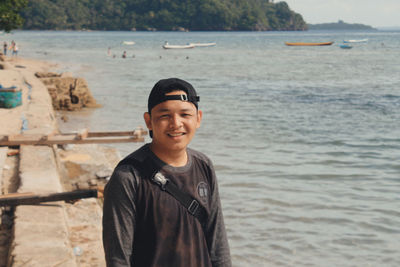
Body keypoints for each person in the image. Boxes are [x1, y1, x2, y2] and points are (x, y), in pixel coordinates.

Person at [103, 78, 231, 267]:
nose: (176, 123)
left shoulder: (204, 166)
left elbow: (217, 242)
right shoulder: (128, 176)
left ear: (198, 119)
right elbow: (118, 258)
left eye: (185, 114)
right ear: (149, 121)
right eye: (165, 116)